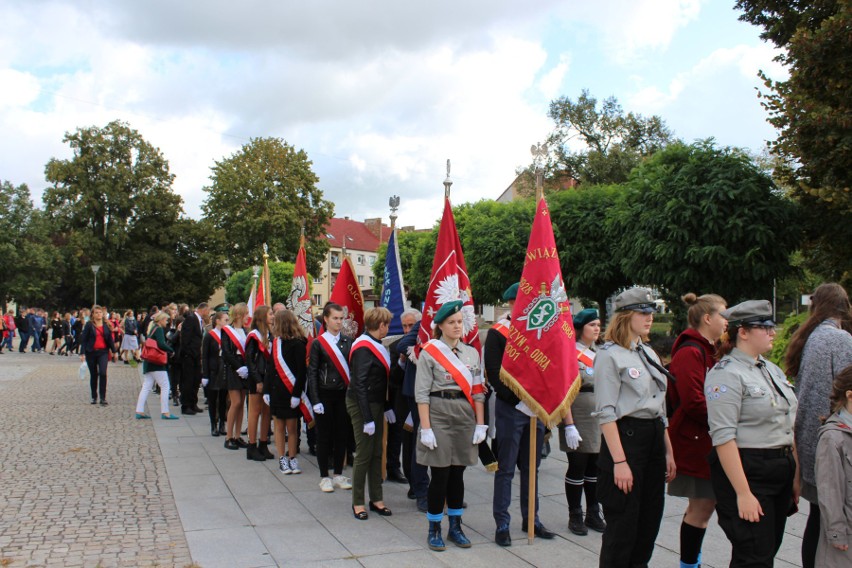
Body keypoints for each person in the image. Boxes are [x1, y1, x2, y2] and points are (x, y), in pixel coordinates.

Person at [705, 300, 799, 567]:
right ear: (742, 332)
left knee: (765, 552)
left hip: (778, 468)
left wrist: (795, 474)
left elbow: (787, 422)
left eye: (772, 326)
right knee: (753, 555)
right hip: (748, 471)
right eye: (764, 327)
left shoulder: (770, 369)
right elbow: (723, 438)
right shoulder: (726, 374)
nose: (773, 332)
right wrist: (743, 493)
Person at [593, 287, 676, 568]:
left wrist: (668, 451)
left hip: (652, 438)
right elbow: (606, 413)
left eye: (651, 312)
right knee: (623, 526)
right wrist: (619, 461)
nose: (649, 318)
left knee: (649, 521)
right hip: (626, 439)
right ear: (625, 316)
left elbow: (658, 407)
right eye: (643, 313)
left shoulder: (649, 352)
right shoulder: (609, 356)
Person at [783, 284, 852, 567]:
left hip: (810, 438)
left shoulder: (811, 336)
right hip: (835, 441)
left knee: (818, 516)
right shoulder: (841, 339)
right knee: (831, 516)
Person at [489, 283, 557, 547]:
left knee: (532, 469)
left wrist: (538, 401)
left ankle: (532, 519)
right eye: (518, 301)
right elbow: (494, 374)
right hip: (511, 409)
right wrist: (519, 401)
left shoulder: (540, 331)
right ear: (509, 303)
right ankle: (502, 524)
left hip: (536, 409)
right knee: (505, 469)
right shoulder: (498, 333)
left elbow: (550, 368)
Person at [416, 300, 486, 551]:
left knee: (458, 472)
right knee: (440, 473)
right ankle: (434, 527)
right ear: (441, 326)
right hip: (439, 414)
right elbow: (422, 393)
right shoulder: (429, 352)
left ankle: (455, 526)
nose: (457, 326)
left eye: (460, 322)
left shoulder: (472, 353)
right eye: (452, 323)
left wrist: (481, 424)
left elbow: (478, 391)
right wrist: (426, 428)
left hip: (464, 416)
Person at [667, 293, 728, 568]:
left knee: (704, 507)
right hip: (695, 442)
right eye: (723, 315)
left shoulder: (707, 348)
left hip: (704, 438)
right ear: (707, 318)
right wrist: (727, 420)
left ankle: (692, 561)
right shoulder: (691, 351)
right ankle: (689, 564)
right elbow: (693, 401)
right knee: (701, 507)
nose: (727, 321)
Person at [559, 308, 606, 536]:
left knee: (595, 467)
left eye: (598, 325)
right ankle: (575, 514)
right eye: (592, 325)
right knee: (578, 465)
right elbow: (564, 390)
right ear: (580, 329)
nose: (596, 329)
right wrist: (568, 424)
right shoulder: (570, 353)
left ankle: (593, 512)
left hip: (599, 416)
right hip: (577, 414)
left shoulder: (602, 353)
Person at [347, 307, 394, 520]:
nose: (388, 328)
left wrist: (386, 406)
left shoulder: (376, 344)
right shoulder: (363, 348)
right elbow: (359, 384)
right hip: (361, 404)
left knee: (377, 452)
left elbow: (381, 381)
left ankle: (376, 498)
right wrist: (367, 417)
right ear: (380, 324)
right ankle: (358, 501)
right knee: (364, 453)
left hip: (375, 403)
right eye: (387, 324)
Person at [307, 302, 353, 493]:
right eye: (335, 318)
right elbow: (313, 372)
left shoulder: (348, 341)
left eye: (341, 318)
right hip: (325, 393)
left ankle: (339, 473)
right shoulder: (319, 343)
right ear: (325, 319)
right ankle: (324, 476)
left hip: (342, 394)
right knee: (324, 436)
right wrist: (315, 400)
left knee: (341, 434)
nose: (339, 322)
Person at [814, 364, 852, 568]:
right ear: (850, 395)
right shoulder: (832, 438)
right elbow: (829, 490)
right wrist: (837, 532)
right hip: (846, 534)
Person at [265, 309, 309, 475]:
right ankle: (282, 458)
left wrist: (297, 394)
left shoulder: (298, 343)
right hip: (277, 391)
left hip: (291, 393)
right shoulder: (276, 343)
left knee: (292, 428)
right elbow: (270, 369)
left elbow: (301, 371)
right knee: (278, 427)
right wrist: (267, 391)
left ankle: (292, 458)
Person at [397, 309, 429, 511]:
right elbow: (401, 345)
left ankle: (446, 491)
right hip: (417, 394)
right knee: (421, 444)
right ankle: (421, 492)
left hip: (443, 395)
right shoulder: (421, 328)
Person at [136, 311, 179, 420]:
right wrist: (171, 350)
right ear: (160, 320)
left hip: (149, 362)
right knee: (165, 386)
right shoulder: (159, 329)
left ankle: (139, 410)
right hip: (157, 362)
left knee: (146, 387)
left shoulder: (152, 328)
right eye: (166, 320)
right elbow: (161, 344)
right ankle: (165, 412)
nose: (167, 322)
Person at [245, 305, 274, 461]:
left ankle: (263, 443)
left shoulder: (270, 335)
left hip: (268, 378)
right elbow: (250, 360)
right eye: (270, 314)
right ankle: (251, 445)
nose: (273, 316)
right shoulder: (254, 336)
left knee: (267, 412)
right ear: (262, 317)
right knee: (255, 412)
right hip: (257, 378)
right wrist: (257, 380)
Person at [222, 303, 250, 450]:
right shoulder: (227, 331)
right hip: (234, 369)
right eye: (246, 314)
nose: (247, 317)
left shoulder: (246, 331)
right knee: (236, 402)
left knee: (242, 404)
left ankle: (238, 435)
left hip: (245, 368)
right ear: (239, 314)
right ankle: (228, 436)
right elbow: (226, 352)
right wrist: (238, 367)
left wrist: (247, 367)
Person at [79, 305, 116, 405]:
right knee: (94, 374)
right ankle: (94, 396)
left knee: (103, 373)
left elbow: (110, 340)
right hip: (91, 352)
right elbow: (84, 339)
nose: (99, 314)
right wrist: (82, 353)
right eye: (96, 313)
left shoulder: (106, 325)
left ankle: (103, 397)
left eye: (100, 312)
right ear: (93, 314)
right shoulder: (89, 325)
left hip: (103, 352)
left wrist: (114, 351)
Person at [202, 311, 229, 437]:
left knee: (223, 399)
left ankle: (222, 424)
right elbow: (205, 357)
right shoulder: (209, 336)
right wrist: (205, 375)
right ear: (217, 321)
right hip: (213, 371)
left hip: (223, 370)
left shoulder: (227, 335)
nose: (227, 322)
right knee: (213, 399)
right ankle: (213, 423)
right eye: (225, 320)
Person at [179, 303, 208, 416]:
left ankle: (193, 403)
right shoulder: (191, 319)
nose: (208, 313)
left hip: (196, 356)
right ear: (203, 310)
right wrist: (188, 353)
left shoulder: (198, 320)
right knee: (188, 381)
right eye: (207, 310)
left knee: (196, 381)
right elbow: (186, 338)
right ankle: (186, 405)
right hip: (189, 356)